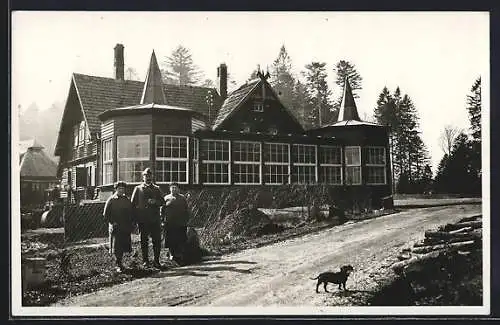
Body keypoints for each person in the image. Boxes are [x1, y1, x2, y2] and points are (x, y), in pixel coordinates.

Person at [131, 168, 165, 268]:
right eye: (146, 176)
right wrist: (135, 218)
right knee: (143, 240)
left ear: (152, 177)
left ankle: (156, 260)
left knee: (156, 240)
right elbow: (133, 204)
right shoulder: (138, 189)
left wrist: (155, 202)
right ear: (143, 177)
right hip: (143, 220)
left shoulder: (156, 188)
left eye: (149, 176)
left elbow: (163, 202)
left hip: (154, 219)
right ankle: (145, 261)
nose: (148, 178)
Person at [103, 181, 135, 273]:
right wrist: (112, 222)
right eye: (119, 189)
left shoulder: (126, 199)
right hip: (116, 227)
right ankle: (118, 264)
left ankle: (122, 263)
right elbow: (106, 215)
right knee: (117, 246)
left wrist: (132, 223)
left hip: (125, 226)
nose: (121, 190)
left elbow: (131, 212)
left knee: (124, 246)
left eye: (123, 189)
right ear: (116, 189)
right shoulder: (112, 200)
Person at [162, 182, 190, 262]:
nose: (174, 189)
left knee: (180, 238)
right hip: (170, 222)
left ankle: (180, 254)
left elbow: (186, 210)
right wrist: (162, 220)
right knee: (171, 239)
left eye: (175, 187)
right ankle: (172, 254)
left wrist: (186, 220)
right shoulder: (166, 198)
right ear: (170, 189)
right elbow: (162, 210)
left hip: (181, 223)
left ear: (178, 189)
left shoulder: (182, 198)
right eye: (172, 187)